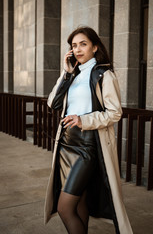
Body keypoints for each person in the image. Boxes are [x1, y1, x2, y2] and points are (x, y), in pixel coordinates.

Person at [44, 26, 133, 234]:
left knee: (64, 207)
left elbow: (114, 113)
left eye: (83, 44)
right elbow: (52, 103)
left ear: (94, 47)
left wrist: (82, 120)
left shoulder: (104, 75)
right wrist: (65, 74)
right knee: (79, 203)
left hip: (87, 147)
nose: (77, 49)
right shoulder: (72, 75)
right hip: (66, 145)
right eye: (74, 45)